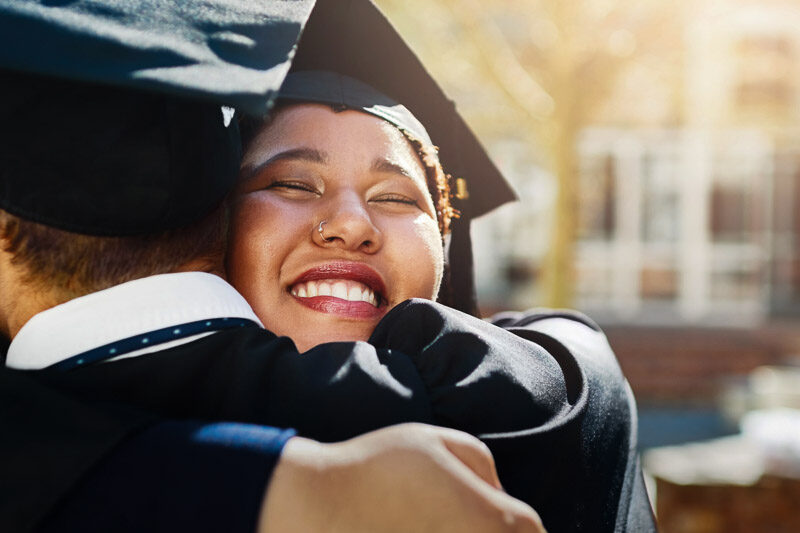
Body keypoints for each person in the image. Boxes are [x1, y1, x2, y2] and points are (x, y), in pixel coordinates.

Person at [0, 1, 654, 532]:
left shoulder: (559, 384)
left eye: (396, 197)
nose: (351, 223)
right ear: (212, 231)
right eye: (291, 184)